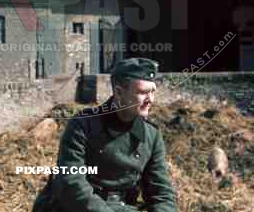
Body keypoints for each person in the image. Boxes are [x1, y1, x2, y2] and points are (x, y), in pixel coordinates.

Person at [32, 58, 177, 212]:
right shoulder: (84, 124)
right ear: (119, 92)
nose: (150, 100)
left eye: (152, 92)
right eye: (143, 92)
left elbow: (161, 192)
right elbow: (72, 182)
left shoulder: (151, 136)